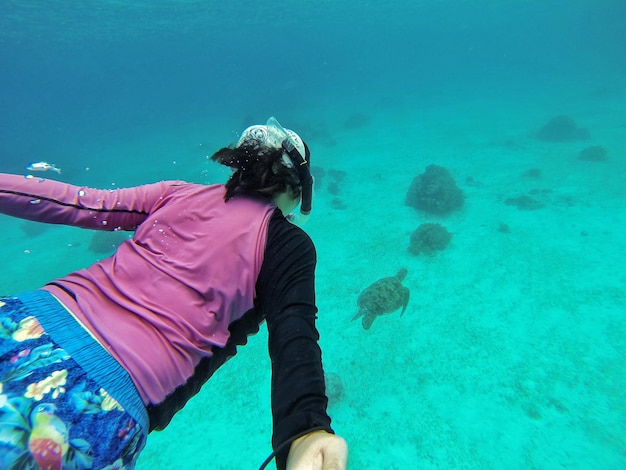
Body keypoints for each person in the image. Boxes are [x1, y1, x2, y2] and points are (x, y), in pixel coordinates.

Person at [0, 117, 348, 470]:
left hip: (21, 321)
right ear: (298, 188)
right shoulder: (288, 244)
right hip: (96, 402)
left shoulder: (177, 193)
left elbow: (81, 203)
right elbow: (295, 334)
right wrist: (305, 430)